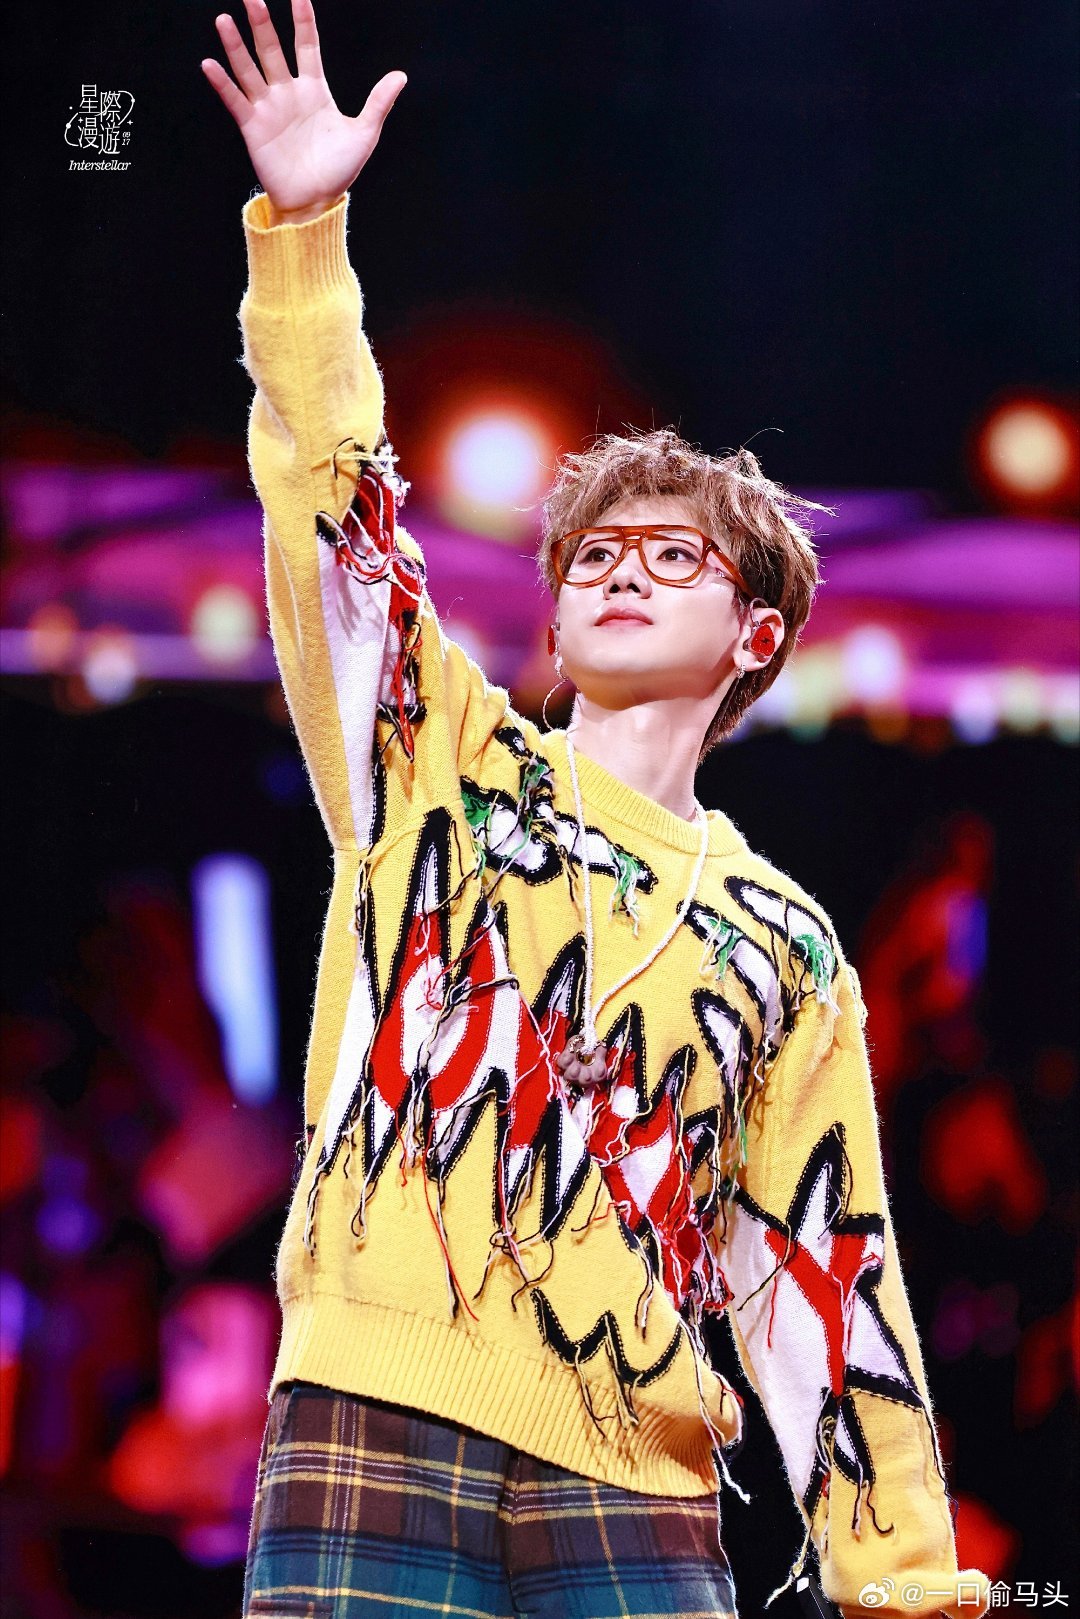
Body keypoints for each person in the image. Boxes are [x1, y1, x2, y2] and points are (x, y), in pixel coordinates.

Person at [202, 4, 992, 1615]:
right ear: (553, 626)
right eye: (592, 560)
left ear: (755, 637)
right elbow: (331, 497)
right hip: (373, 1414)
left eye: (671, 556)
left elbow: (825, 1276)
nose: (620, 572)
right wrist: (305, 236)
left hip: (643, 1479)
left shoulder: (782, 943)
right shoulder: (440, 761)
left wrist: (900, 1578)